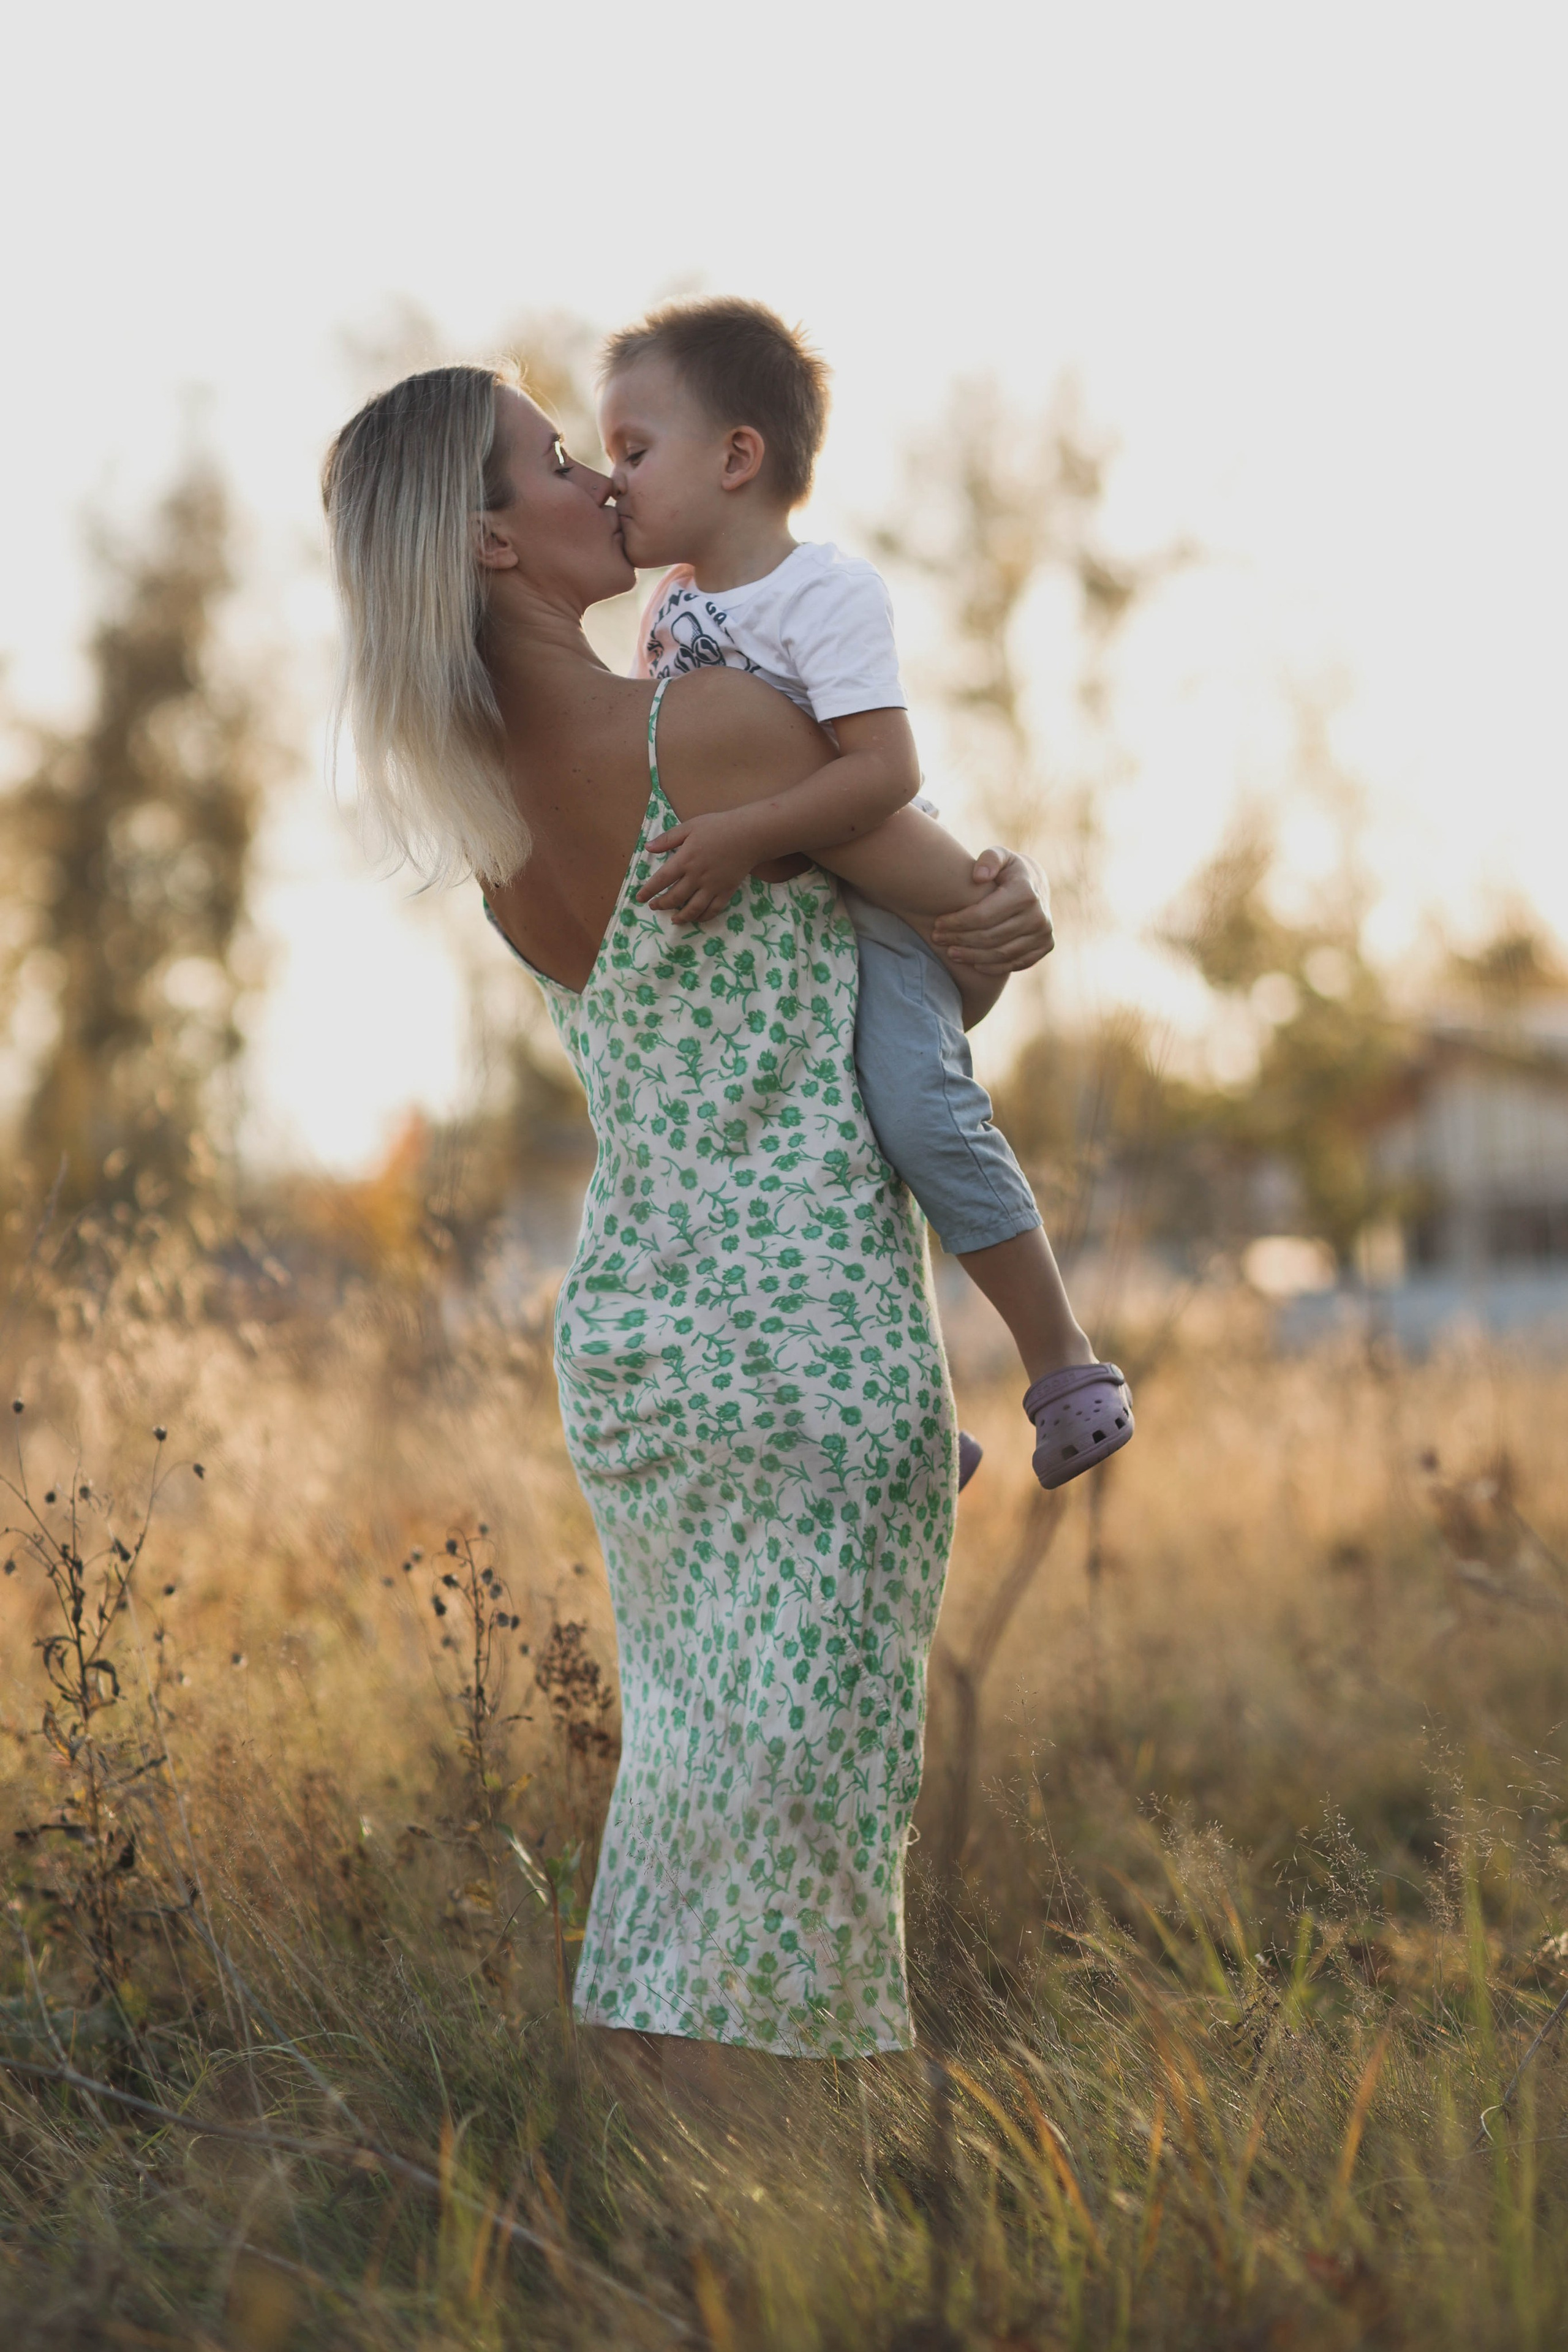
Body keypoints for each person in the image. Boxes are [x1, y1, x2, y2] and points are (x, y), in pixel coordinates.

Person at [321, 363, 1056, 2089]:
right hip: (807, 1340)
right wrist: (1010, 914)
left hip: (645, 1350)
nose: (605, 482)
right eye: (562, 462)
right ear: (500, 541)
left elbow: (783, 1011)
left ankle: (657, 2221)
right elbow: (959, 946)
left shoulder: (494, 824)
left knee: (695, 1805)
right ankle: (782, 2236)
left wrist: (965, 940)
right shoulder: (708, 729)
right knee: (811, 1836)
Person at [597, 297, 1134, 1492]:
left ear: (738, 457)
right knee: (799, 1159)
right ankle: (883, 1394)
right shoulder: (667, 609)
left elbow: (883, 773)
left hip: (879, 906)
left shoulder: (822, 592)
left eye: (633, 451)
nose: (610, 479)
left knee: (918, 1110)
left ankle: (1062, 1362)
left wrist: (738, 835)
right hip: (779, 930)